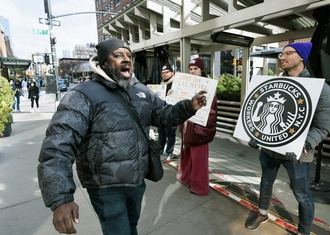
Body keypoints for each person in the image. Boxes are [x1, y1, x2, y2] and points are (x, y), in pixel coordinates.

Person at [37, 38, 208, 235]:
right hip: (105, 188)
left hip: (136, 182)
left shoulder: (141, 90)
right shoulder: (82, 95)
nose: (126, 60)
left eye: (129, 56)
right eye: (118, 55)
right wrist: (60, 198)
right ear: (103, 63)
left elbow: (163, 115)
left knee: (131, 227)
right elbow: (58, 146)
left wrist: (189, 106)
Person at [244, 42, 330, 235]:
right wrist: (254, 134)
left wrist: (305, 144)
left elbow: (322, 127)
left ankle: (304, 231)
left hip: (298, 155)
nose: (282, 57)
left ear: (301, 57)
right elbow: (258, 116)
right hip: (269, 150)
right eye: (281, 54)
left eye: (288, 53)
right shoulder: (272, 83)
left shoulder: (320, 89)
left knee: (302, 195)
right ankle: (262, 212)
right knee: (266, 182)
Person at [177, 57, 218, 196]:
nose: (192, 71)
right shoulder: (185, 85)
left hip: (199, 127)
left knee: (199, 158)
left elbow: (211, 110)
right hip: (187, 124)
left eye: (195, 69)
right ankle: (186, 178)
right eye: (191, 69)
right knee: (187, 153)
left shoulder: (210, 88)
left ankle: (200, 186)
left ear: (201, 70)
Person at [158, 62, 178, 160]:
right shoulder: (161, 84)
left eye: (167, 72)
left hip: (172, 113)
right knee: (161, 132)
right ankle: (160, 150)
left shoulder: (176, 84)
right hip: (162, 113)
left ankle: (169, 152)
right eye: (163, 73)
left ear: (172, 73)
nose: (164, 74)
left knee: (170, 132)